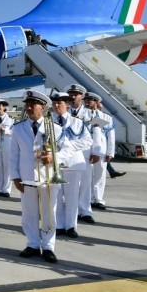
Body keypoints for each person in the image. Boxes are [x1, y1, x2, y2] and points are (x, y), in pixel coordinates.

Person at [10, 90, 67, 264]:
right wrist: (15, 177)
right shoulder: (18, 128)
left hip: (48, 177)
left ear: (42, 107)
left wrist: (54, 158)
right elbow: (14, 154)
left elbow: (67, 150)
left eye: (33, 104)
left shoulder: (55, 128)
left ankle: (49, 246)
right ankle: (33, 243)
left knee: (49, 213)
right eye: (27, 104)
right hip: (27, 177)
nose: (29, 107)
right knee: (29, 213)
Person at [50, 92, 92, 238]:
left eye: (59, 103)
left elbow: (88, 141)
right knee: (56, 196)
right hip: (54, 164)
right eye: (54, 103)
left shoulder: (77, 122)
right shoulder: (47, 122)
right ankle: (59, 225)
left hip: (73, 163)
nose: (56, 106)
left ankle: (71, 226)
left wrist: (68, 146)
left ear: (67, 104)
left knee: (72, 196)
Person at [88, 95, 115, 209]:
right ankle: (89, 199)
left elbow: (111, 135)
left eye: (90, 100)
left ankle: (98, 199)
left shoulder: (106, 117)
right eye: (86, 100)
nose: (87, 102)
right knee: (87, 175)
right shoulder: (83, 115)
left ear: (96, 102)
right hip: (87, 149)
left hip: (101, 149)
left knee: (100, 174)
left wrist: (110, 152)